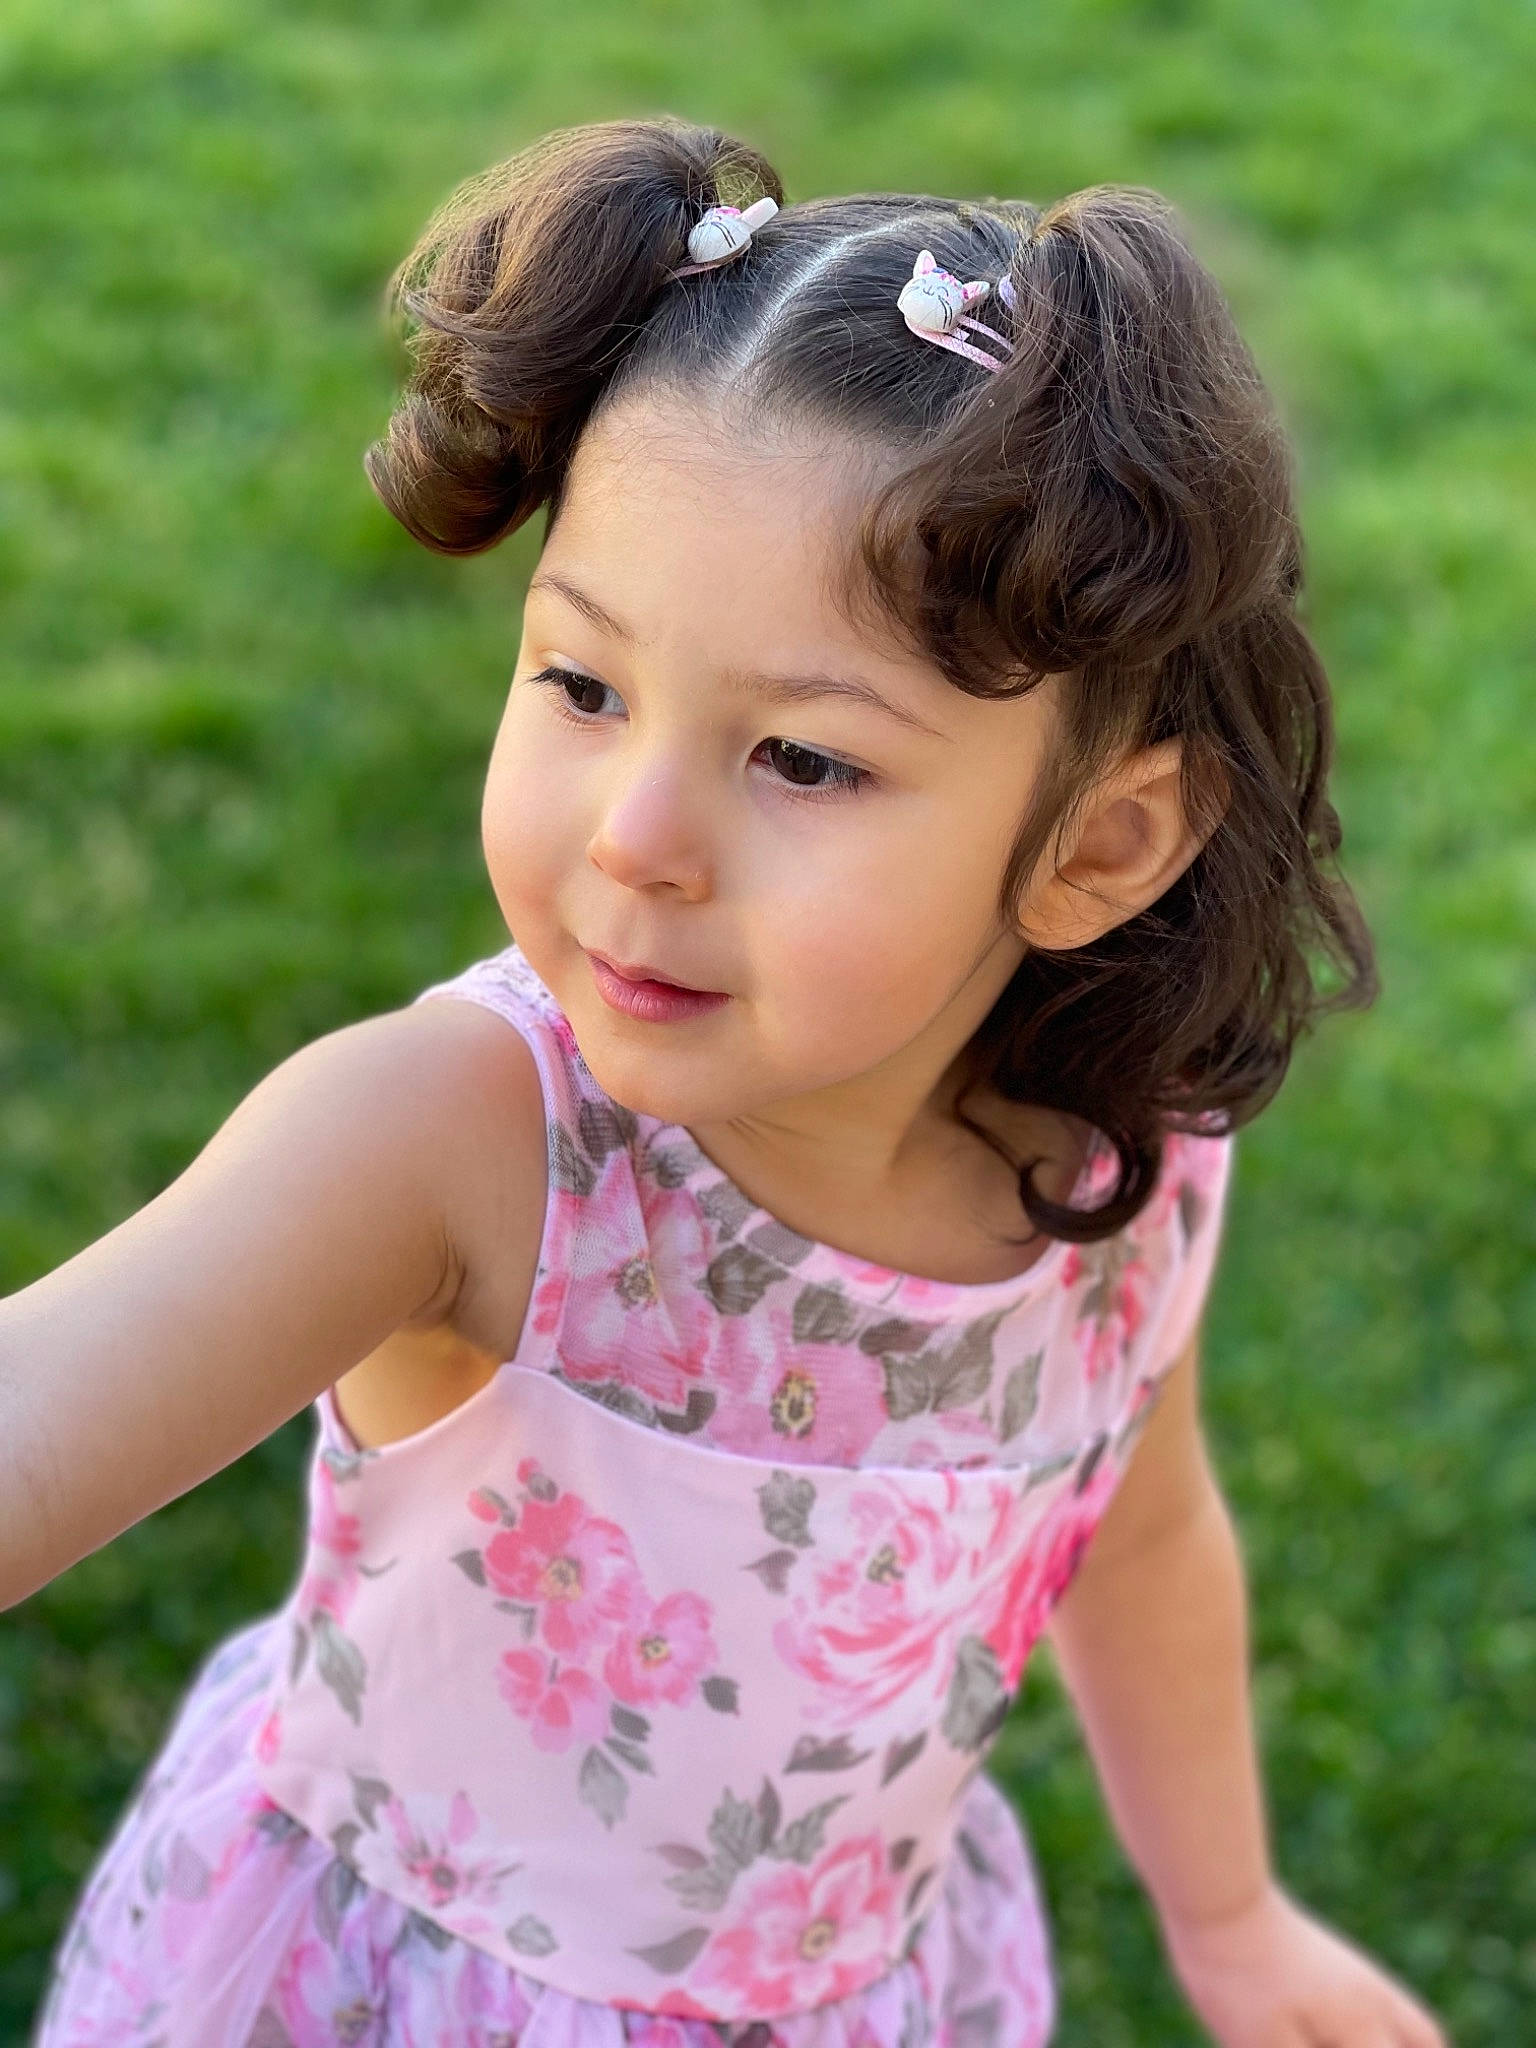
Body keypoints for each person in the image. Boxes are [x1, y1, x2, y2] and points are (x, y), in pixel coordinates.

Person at [7, 114, 1448, 2048]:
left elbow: (1146, 1529)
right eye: (582, 686)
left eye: (805, 762)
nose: (638, 837)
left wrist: (1233, 1914)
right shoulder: (451, 1141)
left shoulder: (1131, 1175)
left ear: (1099, 848)